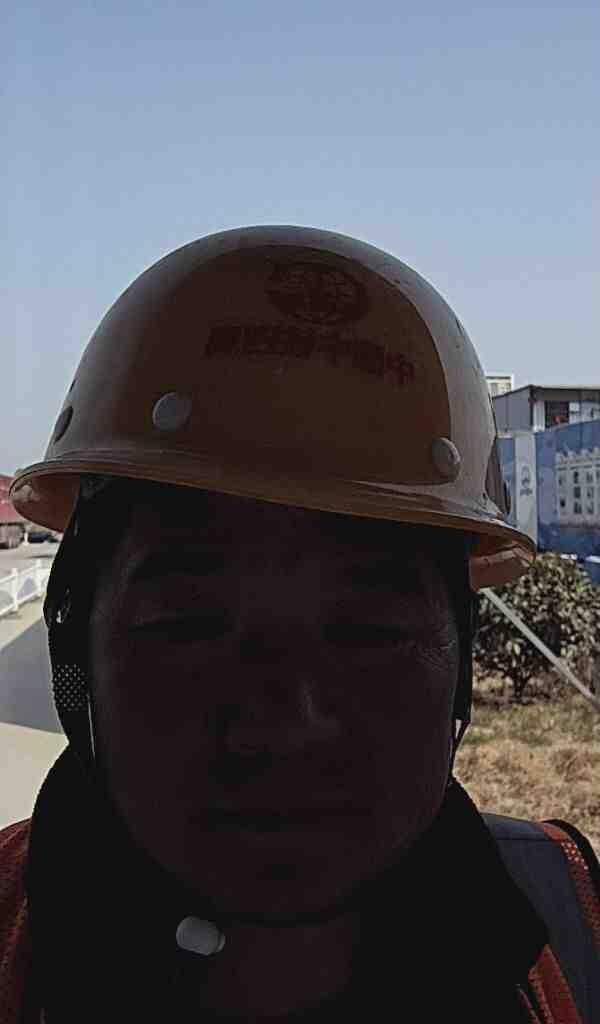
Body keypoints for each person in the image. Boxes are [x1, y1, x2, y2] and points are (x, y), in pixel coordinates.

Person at [2, 227, 599, 1023]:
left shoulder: (575, 927)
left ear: (459, 656)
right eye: (190, 624)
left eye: (370, 631)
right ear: (80, 637)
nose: (282, 725)